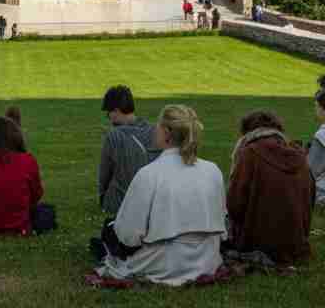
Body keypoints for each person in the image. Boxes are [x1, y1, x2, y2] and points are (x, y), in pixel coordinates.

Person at [96, 105, 227, 286]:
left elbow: (128, 236)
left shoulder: (149, 174)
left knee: (109, 230)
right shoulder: (212, 170)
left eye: (157, 125)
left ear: (166, 132)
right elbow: (222, 222)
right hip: (207, 259)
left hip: (164, 264)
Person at [226, 111, 313, 267]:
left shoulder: (249, 153)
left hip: (257, 244)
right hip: (296, 243)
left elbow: (234, 205)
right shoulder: (299, 154)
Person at [98, 85, 157, 218]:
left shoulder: (114, 136)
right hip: (152, 200)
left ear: (117, 111)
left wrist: (102, 196)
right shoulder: (155, 131)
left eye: (108, 113)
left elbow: (104, 173)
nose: (108, 117)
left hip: (122, 202)